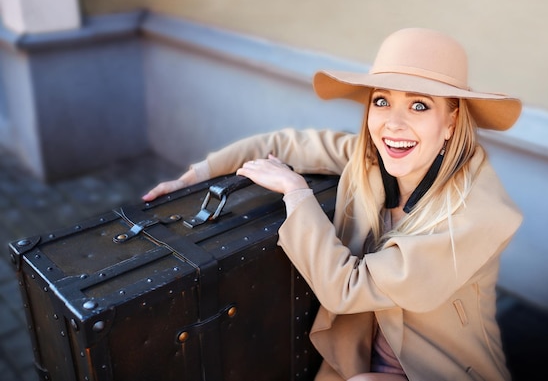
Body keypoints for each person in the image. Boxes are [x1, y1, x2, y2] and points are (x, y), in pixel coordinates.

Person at [143, 28, 523, 381]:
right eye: (382, 101)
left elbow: (348, 288)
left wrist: (296, 193)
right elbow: (286, 144)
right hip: (358, 355)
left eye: (419, 106)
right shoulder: (373, 161)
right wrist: (192, 177)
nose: (393, 123)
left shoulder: (477, 214)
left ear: (452, 120)